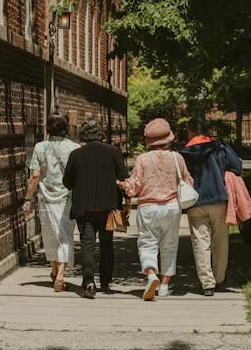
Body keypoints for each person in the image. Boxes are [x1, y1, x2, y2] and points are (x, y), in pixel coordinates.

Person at [119, 118, 193, 300]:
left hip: (148, 207)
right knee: (169, 246)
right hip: (172, 207)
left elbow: (134, 187)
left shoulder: (143, 159)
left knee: (147, 244)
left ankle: (151, 275)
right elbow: (188, 181)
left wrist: (123, 186)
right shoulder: (177, 157)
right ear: (169, 139)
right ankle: (165, 285)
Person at [63, 120, 130, 299]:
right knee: (107, 244)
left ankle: (89, 282)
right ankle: (106, 282)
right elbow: (124, 178)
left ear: (83, 135)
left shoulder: (76, 154)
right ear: (101, 133)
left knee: (87, 244)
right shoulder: (113, 152)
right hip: (109, 207)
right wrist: (126, 202)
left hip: (84, 208)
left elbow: (67, 182)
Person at [179, 118, 242, 296]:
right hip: (219, 198)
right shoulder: (219, 148)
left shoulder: (184, 153)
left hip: (195, 202)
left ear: (190, 131)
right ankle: (219, 279)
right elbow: (237, 166)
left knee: (200, 242)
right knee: (220, 242)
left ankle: (207, 283)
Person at [22, 114, 80, 292]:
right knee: (65, 236)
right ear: (66, 128)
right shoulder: (75, 148)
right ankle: (60, 274)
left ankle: (55, 270)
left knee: (50, 236)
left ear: (49, 128)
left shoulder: (40, 147)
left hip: (46, 199)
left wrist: (27, 199)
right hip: (67, 198)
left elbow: (35, 176)